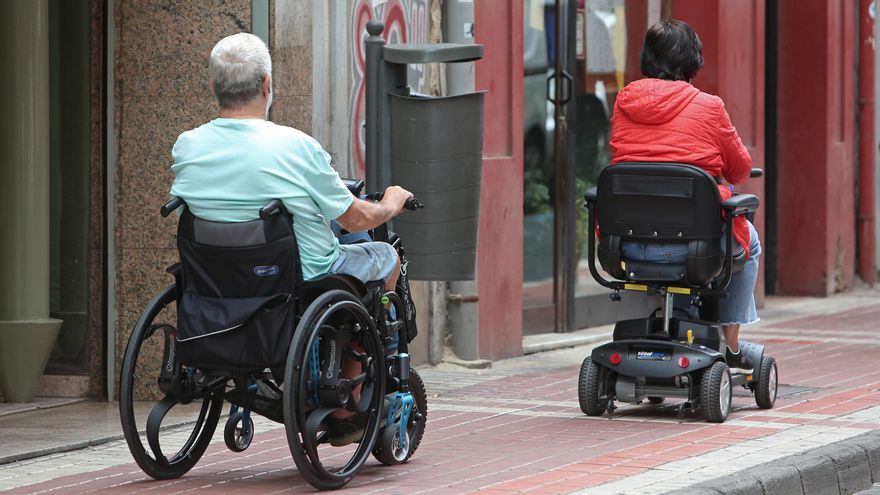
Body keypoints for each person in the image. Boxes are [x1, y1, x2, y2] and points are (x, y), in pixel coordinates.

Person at [170, 32, 411, 445]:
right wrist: (390, 203)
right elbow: (355, 218)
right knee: (385, 257)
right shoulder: (294, 147)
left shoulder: (187, 146)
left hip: (214, 276)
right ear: (267, 85)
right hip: (298, 276)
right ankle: (352, 390)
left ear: (213, 87)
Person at [608, 20, 761, 374]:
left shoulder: (624, 101)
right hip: (692, 246)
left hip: (628, 243)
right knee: (749, 242)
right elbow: (740, 170)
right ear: (693, 62)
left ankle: (672, 320)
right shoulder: (709, 106)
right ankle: (732, 345)